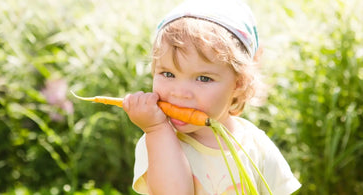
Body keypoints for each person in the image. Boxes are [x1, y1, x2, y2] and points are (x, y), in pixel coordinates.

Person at [122, 0, 301, 194]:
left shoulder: (257, 147)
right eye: (168, 74)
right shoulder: (158, 141)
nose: (179, 93)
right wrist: (156, 129)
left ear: (239, 83)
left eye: (203, 78)